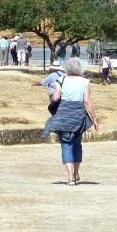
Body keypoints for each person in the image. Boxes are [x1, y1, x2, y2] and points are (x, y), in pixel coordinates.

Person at [42, 58, 99, 186]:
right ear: (79, 68)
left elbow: (56, 97)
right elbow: (87, 102)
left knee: (66, 145)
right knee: (77, 144)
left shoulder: (60, 80)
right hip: (78, 116)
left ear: (66, 68)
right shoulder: (84, 82)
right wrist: (94, 119)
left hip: (64, 115)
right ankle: (76, 173)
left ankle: (71, 177)